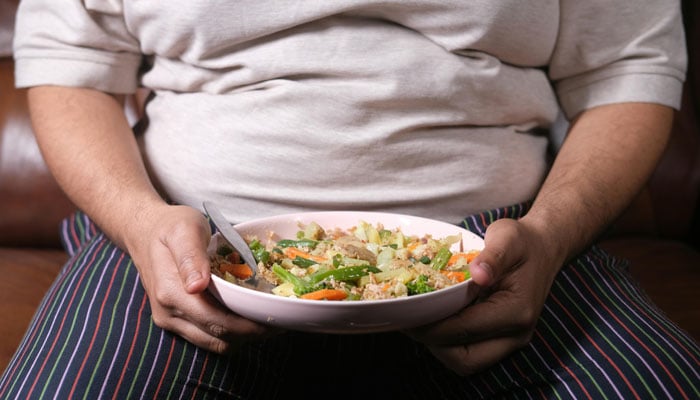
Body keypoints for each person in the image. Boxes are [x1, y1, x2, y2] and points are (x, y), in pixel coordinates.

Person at [2, 1, 699, 398]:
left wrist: (549, 236)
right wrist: (138, 219)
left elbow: (628, 70)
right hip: (186, 236)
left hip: (503, 248)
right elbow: (72, 66)